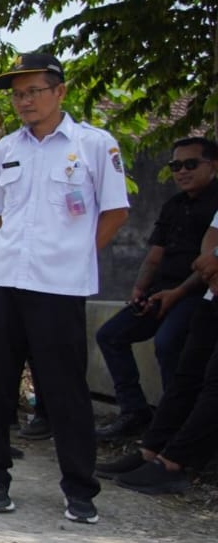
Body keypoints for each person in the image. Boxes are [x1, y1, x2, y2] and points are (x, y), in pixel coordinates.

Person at [0, 53, 130, 524]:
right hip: (4, 281)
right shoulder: (6, 149)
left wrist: (78, 253)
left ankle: (80, 490)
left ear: (60, 91)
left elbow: (116, 211)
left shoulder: (95, 145)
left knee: (65, 389)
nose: (24, 102)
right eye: (18, 95)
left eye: (33, 91)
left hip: (59, 287)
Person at [92, 137, 218, 439]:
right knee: (110, 335)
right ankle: (135, 411)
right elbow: (154, 255)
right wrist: (139, 289)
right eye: (176, 165)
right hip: (160, 291)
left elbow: (209, 264)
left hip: (195, 293)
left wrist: (176, 294)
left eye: (190, 164)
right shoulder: (173, 204)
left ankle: (174, 422)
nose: (182, 171)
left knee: (168, 342)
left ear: (213, 166)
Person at [100, 206, 218, 493]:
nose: (182, 172)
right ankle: (151, 451)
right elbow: (213, 233)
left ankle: (174, 463)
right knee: (186, 376)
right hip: (211, 293)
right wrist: (209, 263)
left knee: (214, 384)